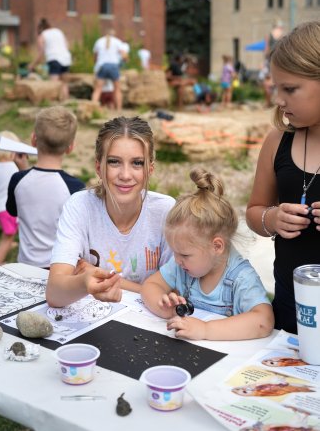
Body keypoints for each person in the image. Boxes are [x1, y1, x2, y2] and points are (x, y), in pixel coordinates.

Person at [46, 116, 175, 307]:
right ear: (99, 167)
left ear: (150, 169)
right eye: (114, 162)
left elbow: (173, 294)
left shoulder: (166, 212)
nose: (125, 175)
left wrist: (108, 280)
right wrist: (84, 283)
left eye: (137, 163)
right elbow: (55, 293)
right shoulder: (79, 206)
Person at [246, 20, 320, 335]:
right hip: (291, 308)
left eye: (289, 89)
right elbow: (253, 212)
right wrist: (272, 219)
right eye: (277, 87)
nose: (279, 99)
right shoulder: (278, 141)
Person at [141, 167, 274, 341]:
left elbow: (263, 321)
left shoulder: (241, 277)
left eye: (185, 255)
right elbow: (149, 285)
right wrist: (163, 305)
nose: (177, 260)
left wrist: (205, 330)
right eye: (175, 253)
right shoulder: (182, 266)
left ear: (217, 246)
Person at [6, 106, 85, 269]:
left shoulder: (18, 179)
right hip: (60, 268)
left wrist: (23, 170)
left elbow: (13, 211)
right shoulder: (75, 187)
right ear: (70, 147)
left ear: (33, 140)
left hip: (25, 266)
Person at [0, 131, 21, 264]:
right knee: (8, 236)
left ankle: (9, 242)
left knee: (11, 231)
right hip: (8, 209)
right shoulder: (13, 168)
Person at [28, 18, 72, 101]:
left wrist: (32, 64)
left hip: (54, 59)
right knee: (64, 83)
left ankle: (54, 105)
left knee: (54, 84)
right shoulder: (58, 31)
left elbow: (41, 53)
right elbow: (67, 45)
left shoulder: (42, 35)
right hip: (66, 59)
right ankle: (66, 101)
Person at [92, 29, 127, 110]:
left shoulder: (99, 41)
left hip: (102, 66)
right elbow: (124, 55)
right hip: (113, 66)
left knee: (98, 89)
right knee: (117, 89)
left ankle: (93, 107)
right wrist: (124, 61)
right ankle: (118, 109)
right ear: (113, 34)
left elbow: (95, 57)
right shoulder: (117, 41)